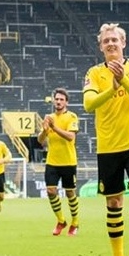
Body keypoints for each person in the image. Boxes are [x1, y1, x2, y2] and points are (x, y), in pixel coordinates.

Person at [82, 24, 129, 256]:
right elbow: (89, 104)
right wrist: (112, 88)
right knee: (114, 202)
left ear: (124, 43)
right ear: (101, 46)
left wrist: (122, 79)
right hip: (108, 146)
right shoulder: (94, 73)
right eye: (106, 41)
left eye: (115, 39)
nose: (111, 43)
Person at [38, 88, 82, 238]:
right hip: (52, 161)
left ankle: (75, 222)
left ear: (66, 102)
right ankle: (61, 220)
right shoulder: (49, 117)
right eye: (56, 99)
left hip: (68, 161)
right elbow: (40, 140)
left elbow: (70, 136)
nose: (58, 101)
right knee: (51, 191)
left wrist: (54, 127)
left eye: (61, 99)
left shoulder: (72, 117)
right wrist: (44, 130)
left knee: (70, 193)